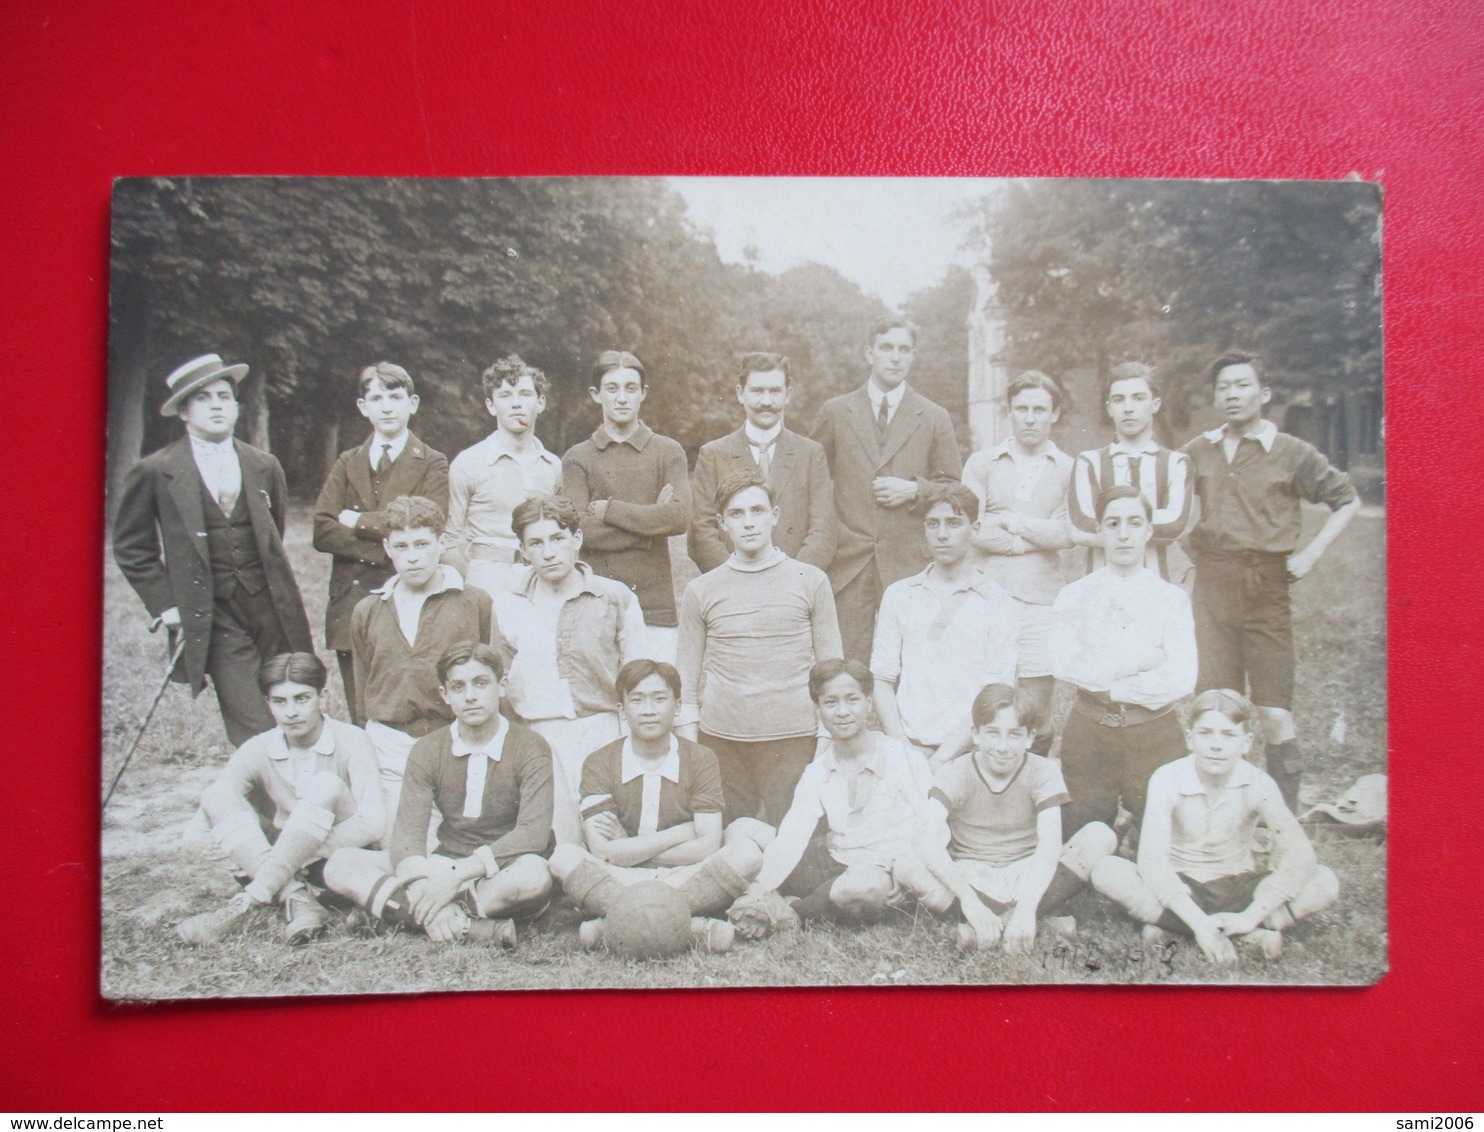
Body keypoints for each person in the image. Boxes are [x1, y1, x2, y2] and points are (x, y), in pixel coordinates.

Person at [1181, 351, 1362, 810]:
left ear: (1263, 394)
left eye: (1242, 385)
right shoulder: (1198, 451)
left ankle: (1282, 818)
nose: (1232, 395)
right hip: (1212, 588)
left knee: (1275, 711)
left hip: (1266, 588)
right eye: (1224, 387)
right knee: (1213, 707)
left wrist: (1311, 554)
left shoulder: (1291, 453)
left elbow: (1347, 500)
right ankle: (1214, 812)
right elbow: (1162, 502)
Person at [113, 354, 313, 747]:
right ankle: (269, 803)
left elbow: (273, 534)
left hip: (270, 606)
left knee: (293, 704)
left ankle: (301, 798)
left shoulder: (264, 465)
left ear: (237, 407)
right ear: (184, 412)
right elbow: (131, 547)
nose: (218, 404)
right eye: (204, 398)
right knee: (252, 719)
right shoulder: (156, 470)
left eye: (225, 396)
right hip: (212, 613)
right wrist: (167, 606)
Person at [323, 642, 554, 945]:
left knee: (535, 874)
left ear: (502, 686)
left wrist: (456, 877)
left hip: (500, 868)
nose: (470, 696)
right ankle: (461, 924)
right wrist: (423, 886)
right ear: (445, 695)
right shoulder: (428, 749)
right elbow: (407, 836)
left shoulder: (530, 746)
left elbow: (532, 834)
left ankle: (403, 915)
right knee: (340, 863)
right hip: (444, 861)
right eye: (458, 687)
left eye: (481, 683)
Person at [1091, 688, 1340, 964]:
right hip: (1181, 886)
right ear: (1189, 738)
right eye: (1205, 733)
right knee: (1107, 870)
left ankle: (1187, 929)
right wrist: (1199, 923)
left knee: (1324, 881)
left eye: (1228, 735)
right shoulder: (1167, 778)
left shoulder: (1258, 783)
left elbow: (1301, 855)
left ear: (1246, 742)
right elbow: (1152, 863)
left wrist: (1251, 914)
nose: (1216, 745)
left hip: (1239, 888)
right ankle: (1232, 933)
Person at [549, 659, 767, 952]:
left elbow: (708, 845)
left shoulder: (700, 759)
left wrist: (629, 847)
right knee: (563, 856)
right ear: (621, 709)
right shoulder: (599, 762)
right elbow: (603, 852)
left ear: (677, 707)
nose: (649, 710)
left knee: (747, 853)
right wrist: (681, 833)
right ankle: (692, 929)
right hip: (620, 878)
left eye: (659, 699)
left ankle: (614, 925)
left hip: (686, 876)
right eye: (637, 700)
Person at [176, 652, 384, 946]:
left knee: (326, 785)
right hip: (284, 866)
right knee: (218, 793)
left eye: (302, 699)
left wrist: (297, 854)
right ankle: (297, 899)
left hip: (335, 863)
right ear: (268, 704)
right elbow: (208, 812)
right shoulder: (260, 747)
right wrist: (209, 838)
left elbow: (374, 823)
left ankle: (251, 899)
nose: (291, 712)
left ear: (322, 697)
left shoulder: (352, 740)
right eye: (280, 702)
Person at [729, 660, 953, 933]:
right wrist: (760, 888)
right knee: (743, 829)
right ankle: (769, 899)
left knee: (862, 886)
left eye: (852, 700)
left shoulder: (901, 758)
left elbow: (932, 826)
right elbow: (792, 836)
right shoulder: (817, 772)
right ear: (819, 710)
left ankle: (793, 911)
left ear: (869, 704)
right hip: (835, 860)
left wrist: (908, 871)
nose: (842, 712)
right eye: (831, 702)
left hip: (885, 870)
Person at [677, 469, 842, 824]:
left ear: (774, 516)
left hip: (793, 739)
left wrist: (826, 744)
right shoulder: (702, 590)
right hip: (722, 741)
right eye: (736, 514)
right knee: (730, 848)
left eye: (757, 511)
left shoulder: (811, 581)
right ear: (721, 523)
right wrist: (693, 751)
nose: (749, 523)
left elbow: (834, 674)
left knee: (799, 853)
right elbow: (686, 684)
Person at [913, 683, 1116, 953]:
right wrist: (969, 899)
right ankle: (1029, 924)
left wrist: (1027, 907)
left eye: (1014, 735)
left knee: (1100, 835)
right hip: (974, 873)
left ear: (1030, 738)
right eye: (993, 733)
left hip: (1028, 872)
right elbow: (924, 835)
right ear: (975, 734)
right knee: (908, 862)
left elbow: (1049, 844)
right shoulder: (955, 771)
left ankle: (999, 925)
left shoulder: (1043, 771)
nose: (1003, 746)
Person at [493, 494, 647, 844]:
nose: (548, 552)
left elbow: (638, 677)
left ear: (576, 539)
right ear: (522, 551)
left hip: (603, 732)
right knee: (557, 844)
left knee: (609, 839)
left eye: (557, 539)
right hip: (538, 737)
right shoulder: (508, 604)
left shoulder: (613, 597)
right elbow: (500, 682)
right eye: (535, 543)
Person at [811, 316, 963, 662]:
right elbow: (813, 481)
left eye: (904, 349)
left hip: (909, 562)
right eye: (886, 348)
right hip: (848, 563)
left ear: (913, 356)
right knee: (845, 667)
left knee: (914, 663)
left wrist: (913, 491)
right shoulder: (836, 412)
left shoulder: (934, 416)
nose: (895, 357)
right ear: (869, 353)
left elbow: (953, 488)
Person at [1050, 484, 1198, 838]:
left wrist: (1107, 672)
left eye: (1134, 523)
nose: (1124, 535)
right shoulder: (1074, 596)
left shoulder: (1171, 599)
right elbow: (1063, 663)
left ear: (1149, 531)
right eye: (1113, 524)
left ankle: (1136, 827)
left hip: (1155, 733)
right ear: (1100, 532)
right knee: (1081, 841)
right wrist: (1145, 660)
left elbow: (1182, 676)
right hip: (1091, 730)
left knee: (1171, 842)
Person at [349, 495, 499, 837]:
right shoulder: (369, 610)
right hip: (389, 745)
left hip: (455, 740)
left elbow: (491, 678)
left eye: (422, 544)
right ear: (387, 547)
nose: (412, 556)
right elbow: (363, 685)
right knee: (394, 841)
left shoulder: (473, 601)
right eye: (401, 546)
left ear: (441, 541)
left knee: (457, 839)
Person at [312, 362, 449, 722]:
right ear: (363, 407)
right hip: (351, 600)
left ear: (413, 403)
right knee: (361, 709)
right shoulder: (347, 462)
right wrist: (389, 542)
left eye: (396, 397)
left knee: (412, 705)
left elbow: (429, 522)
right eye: (376, 398)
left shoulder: (432, 463)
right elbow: (322, 530)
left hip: (407, 596)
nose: (387, 407)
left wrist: (356, 520)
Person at [960, 370, 1074, 754]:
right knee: (985, 697)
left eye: (1039, 409)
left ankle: (1031, 790)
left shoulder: (1069, 468)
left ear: (1054, 414)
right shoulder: (983, 462)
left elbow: (1067, 535)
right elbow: (971, 528)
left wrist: (1010, 520)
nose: (1030, 417)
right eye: (1021, 408)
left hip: (1042, 600)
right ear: (1008, 412)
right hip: (987, 596)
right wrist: (1032, 539)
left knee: (1037, 700)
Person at [870, 481, 1018, 766]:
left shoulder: (998, 602)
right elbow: (881, 679)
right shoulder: (901, 595)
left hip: (970, 755)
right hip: (907, 751)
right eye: (933, 524)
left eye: (953, 523)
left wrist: (942, 759)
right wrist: (903, 750)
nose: (942, 535)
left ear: (974, 530)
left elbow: (995, 692)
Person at [562, 350, 691, 661]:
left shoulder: (668, 451)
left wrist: (609, 510)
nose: (622, 398)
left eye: (630, 389)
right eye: (612, 388)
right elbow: (580, 532)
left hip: (654, 604)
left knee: (654, 698)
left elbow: (679, 517)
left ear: (643, 394)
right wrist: (649, 529)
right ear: (596, 394)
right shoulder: (577, 458)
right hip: (596, 600)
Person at [689, 351, 836, 574]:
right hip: (733, 587)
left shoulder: (810, 453)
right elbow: (702, 532)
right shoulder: (713, 455)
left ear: (788, 395)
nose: (766, 402)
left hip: (794, 588)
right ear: (740, 393)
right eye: (757, 391)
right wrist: (736, 577)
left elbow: (823, 530)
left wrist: (795, 579)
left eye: (775, 391)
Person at [445, 354, 563, 596]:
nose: (516, 404)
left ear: (540, 403)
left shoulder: (553, 466)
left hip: (540, 582)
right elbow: (449, 539)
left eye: (525, 394)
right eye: (505, 396)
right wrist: (472, 585)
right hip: (486, 582)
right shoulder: (469, 463)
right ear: (491, 405)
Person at [1068, 361, 1192, 581]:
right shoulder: (1089, 462)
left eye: (1138, 397)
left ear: (1155, 404)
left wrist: (1110, 525)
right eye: (1119, 399)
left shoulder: (1176, 463)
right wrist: (1144, 524)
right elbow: (1083, 522)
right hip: (1100, 586)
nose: (1128, 408)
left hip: (1153, 588)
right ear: (1109, 408)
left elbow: (1174, 525)